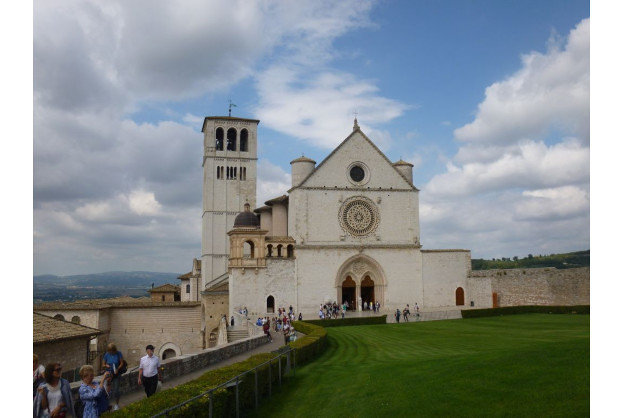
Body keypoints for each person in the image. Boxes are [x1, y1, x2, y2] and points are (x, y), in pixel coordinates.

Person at [101, 343, 124, 411]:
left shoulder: (119, 353)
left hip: (116, 374)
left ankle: (116, 404)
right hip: (108, 374)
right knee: (106, 391)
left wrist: (117, 369)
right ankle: (106, 405)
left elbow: (122, 363)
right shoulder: (106, 354)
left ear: (114, 350)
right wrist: (106, 366)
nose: (111, 352)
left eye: (112, 351)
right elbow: (103, 364)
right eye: (110, 351)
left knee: (116, 390)